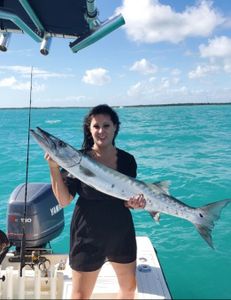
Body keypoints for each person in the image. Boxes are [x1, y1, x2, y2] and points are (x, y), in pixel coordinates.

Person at [45, 104, 146, 299]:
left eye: (106, 125)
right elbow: (64, 200)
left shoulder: (127, 160)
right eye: (96, 126)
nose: (101, 131)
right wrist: (53, 168)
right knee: (80, 295)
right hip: (87, 233)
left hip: (120, 230)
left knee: (129, 289)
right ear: (89, 130)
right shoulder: (77, 159)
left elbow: (126, 199)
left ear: (115, 127)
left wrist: (136, 204)